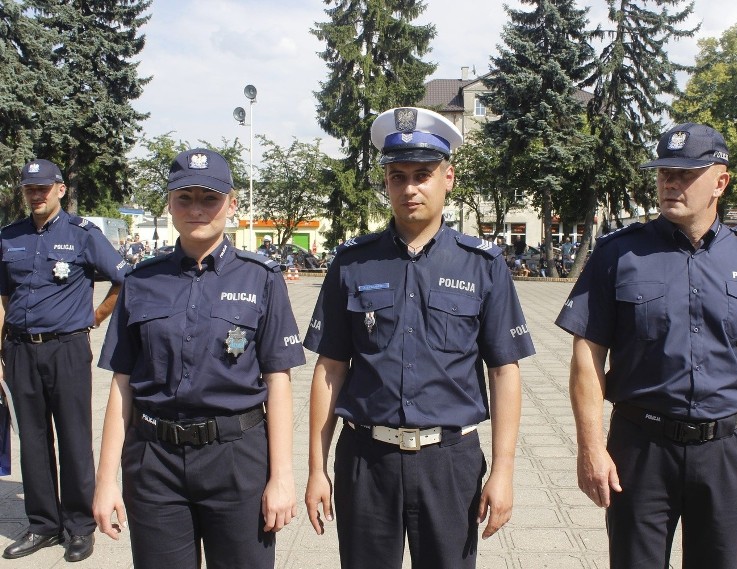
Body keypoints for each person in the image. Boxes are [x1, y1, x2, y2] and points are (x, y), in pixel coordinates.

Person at [555, 123, 737, 569]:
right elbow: (587, 354)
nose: (671, 182)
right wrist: (591, 449)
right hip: (640, 448)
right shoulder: (619, 255)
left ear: (721, 182)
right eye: (664, 172)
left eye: (686, 173)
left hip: (727, 451)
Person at [303, 107, 536, 569]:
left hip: (449, 463)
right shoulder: (352, 264)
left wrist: (504, 472)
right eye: (397, 175)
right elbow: (329, 369)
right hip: (367, 461)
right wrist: (316, 469)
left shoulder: (482, 265)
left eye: (423, 175)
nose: (409, 188)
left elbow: (504, 371)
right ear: (386, 182)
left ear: (448, 177)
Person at [92, 148, 306, 569]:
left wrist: (281, 477)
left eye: (209, 198)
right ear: (169, 203)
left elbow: (278, 379)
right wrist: (104, 482)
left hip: (236, 460)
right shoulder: (141, 281)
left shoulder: (260, 278)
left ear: (232, 203)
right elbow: (122, 383)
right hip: (154, 464)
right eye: (184, 198)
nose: (197, 209)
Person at [0, 159, 128, 562]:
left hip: (67, 348)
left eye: (43, 187)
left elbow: (123, 278)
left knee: (74, 437)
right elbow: (3, 298)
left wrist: (96, 316)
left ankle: (78, 525)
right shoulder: (9, 238)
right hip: (19, 349)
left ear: (60, 190)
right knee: (32, 439)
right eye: (29, 188)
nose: (36, 194)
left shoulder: (83, 235)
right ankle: (42, 524)